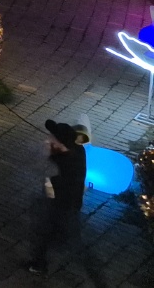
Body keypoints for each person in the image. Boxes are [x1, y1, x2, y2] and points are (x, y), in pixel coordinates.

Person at [28, 119, 106, 285]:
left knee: (72, 241)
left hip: (64, 207)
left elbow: (41, 170)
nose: (48, 140)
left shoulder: (60, 165)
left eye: (53, 139)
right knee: (48, 233)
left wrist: (47, 153)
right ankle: (39, 262)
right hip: (71, 204)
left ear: (61, 144)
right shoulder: (78, 151)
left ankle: (98, 278)